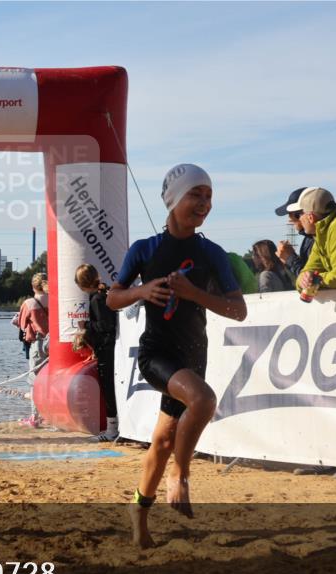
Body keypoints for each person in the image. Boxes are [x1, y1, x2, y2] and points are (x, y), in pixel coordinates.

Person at [107, 164, 247, 548]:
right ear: (173, 199)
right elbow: (112, 298)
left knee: (164, 440)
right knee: (203, 399)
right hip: (157, 353)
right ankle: (180, 477)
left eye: (208, 196)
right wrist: (142, 290)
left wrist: (194, 294)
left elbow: (239, 310)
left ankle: (138, 510)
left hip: (193, 353)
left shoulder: (212, 254)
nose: (204, 203)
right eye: (195, 195)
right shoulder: (144, 250)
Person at [74, 263, 119, 442]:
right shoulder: (101, 295)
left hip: (106, 350)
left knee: (109, 389)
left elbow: (105, 325)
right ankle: (114, 427)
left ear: (82, 284)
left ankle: (112, 429)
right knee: (110, 389)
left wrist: (86, 326)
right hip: (108, 349)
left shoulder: (97, 299)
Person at [17, 272, 49, 426]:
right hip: (54, 344)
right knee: (51, 379)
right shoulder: (54, 300)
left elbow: (21, 324)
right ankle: (50, 414)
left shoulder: (29, 303)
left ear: (32, 286)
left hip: (38, 344)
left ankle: (35, 417)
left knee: (35, 381)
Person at [274, 186, 315, 278]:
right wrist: (289, 258)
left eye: (290, 214)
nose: (289, 220)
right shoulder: (308, 239)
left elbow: (310, 279)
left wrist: (289, 258)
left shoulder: (317, 239)